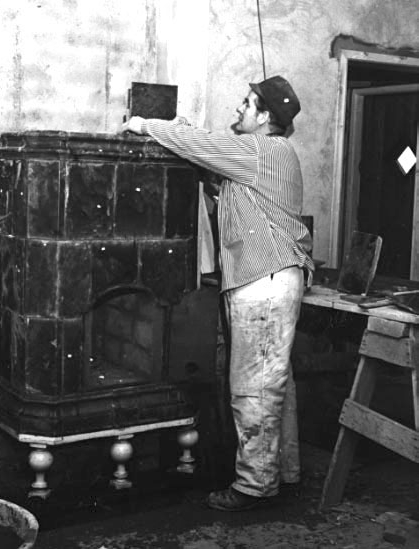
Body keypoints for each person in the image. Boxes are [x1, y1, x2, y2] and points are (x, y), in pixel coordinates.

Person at [123, 75, 314, 511]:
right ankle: (282, 473)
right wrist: (185, 137)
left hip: (264, 282)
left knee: (253, 388)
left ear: (265, 117)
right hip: (268, 279)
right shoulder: (263, 156)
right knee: (272, 384)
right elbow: (217, 174)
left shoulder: (262, 150)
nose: (239, 109)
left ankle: (253, 487)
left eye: (247, 103)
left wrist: (145, 125)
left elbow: (203, 146)